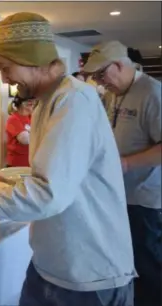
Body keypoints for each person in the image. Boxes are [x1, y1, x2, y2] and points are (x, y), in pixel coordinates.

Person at [0, 13, 136, 306]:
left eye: (6, 67)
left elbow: (48, 194)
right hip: (53, 264)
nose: (4, 77)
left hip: (87, 274)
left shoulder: (74, 100)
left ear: (33, 59)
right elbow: (49, 175)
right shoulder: (49, 101)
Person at [84, 40, 161, 306]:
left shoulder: (152, 92)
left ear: (118, 65)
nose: (100, 82)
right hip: (118, 195)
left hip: (146, 199)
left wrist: (127, 163)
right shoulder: (112, 93)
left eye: (101, 75)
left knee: (149, 265)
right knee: (126, 262)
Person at [5, 95, 34, 167]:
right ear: (25, 105)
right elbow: (25, 140)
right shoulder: (13, 119)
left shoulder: (31, 117)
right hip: (17, 163)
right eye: (32, 104)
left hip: (29, 162)